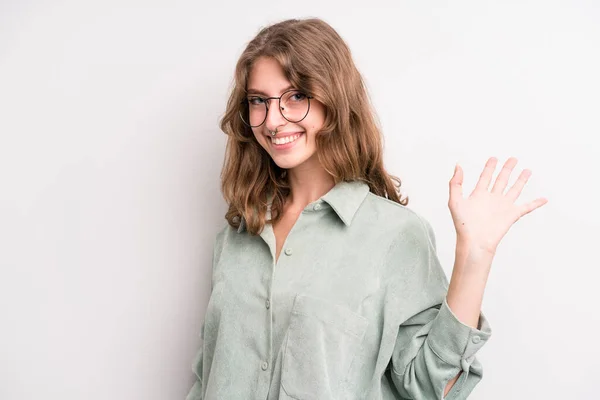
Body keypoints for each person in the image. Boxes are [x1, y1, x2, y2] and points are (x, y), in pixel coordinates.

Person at [185, 18, 547, 400]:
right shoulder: (237, 235)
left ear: (334, 100)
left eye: (295, 96)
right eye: (259, 100)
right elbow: (205, 376)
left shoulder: (394, 236)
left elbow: (430, 388)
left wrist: (474, 258)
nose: (273, 121)